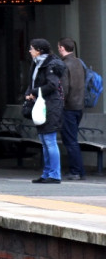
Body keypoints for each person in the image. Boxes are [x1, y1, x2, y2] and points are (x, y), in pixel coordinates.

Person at [25, 39, 66, 183]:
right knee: (44, 140)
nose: (30, 51)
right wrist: (29, 93)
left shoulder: (50, 65)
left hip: (51, 106)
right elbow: (32, 82)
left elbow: (52, 85)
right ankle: (47, 173)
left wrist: (34, 92)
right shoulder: (37, 64)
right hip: (42, 105)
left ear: (39, 50)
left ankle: (55, 174)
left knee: (49, 140)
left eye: (31, 49)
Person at [58, 37, 86, 180]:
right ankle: (80, 170)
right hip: (79, 106)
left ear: (62, 48)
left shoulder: (64, 65)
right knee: (73, 139)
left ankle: (76, 171)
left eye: (59, 47)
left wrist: (59, 105)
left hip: (68, 107)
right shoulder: (79, 63)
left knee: (70, 140)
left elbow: (64, 88)